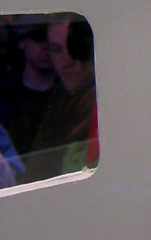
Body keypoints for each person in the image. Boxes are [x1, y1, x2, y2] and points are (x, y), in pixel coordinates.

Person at [23, 16, 98, 184]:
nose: (66, 61)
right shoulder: (55, 109)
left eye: (74, 47)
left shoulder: (97, 102)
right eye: (56, 50)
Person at [0, 21, 63, 157]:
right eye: (38, 38)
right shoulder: (4, 92)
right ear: (22, 41)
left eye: (52, 41)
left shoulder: (70, 91)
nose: (46, 47)